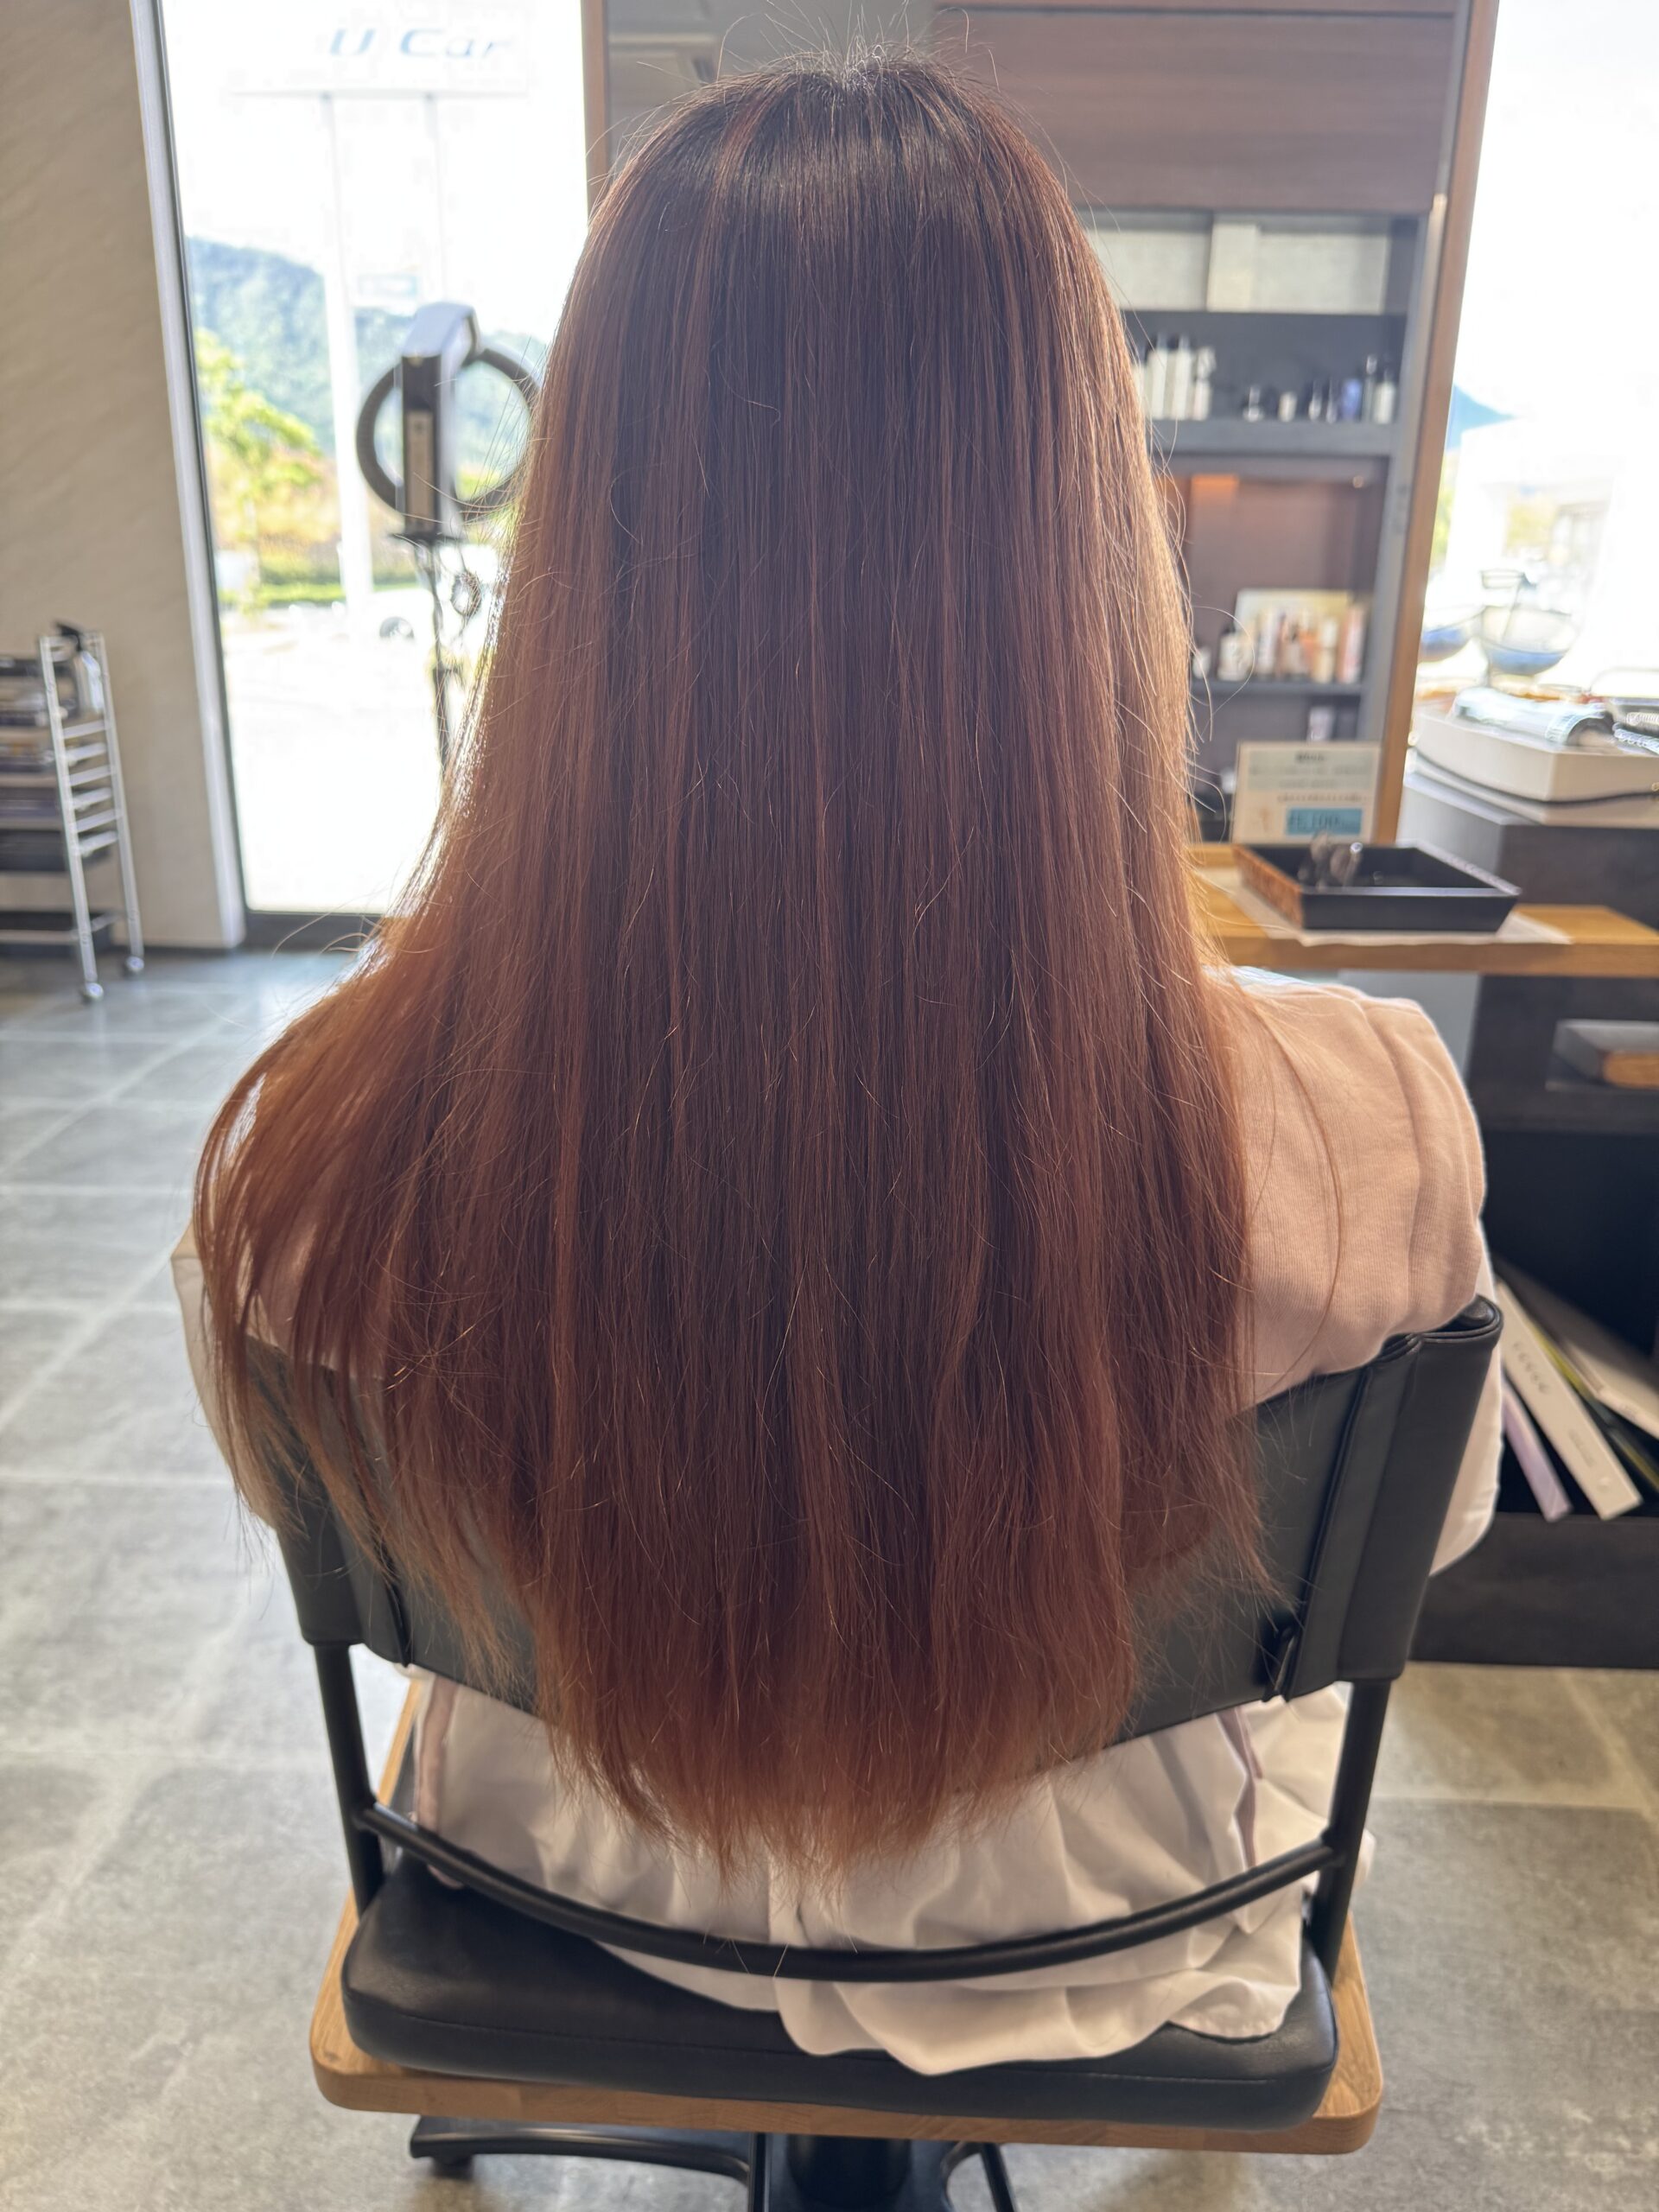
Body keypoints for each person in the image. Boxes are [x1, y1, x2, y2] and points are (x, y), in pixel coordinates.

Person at [175, 52, 1498, 2075]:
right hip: (1113, 1918)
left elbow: (341, 1512)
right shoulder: (1366, 1121)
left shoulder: (322, 1150)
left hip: (561, 1882)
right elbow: (1414, 1542)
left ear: (585, 541)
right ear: (1086, 545)